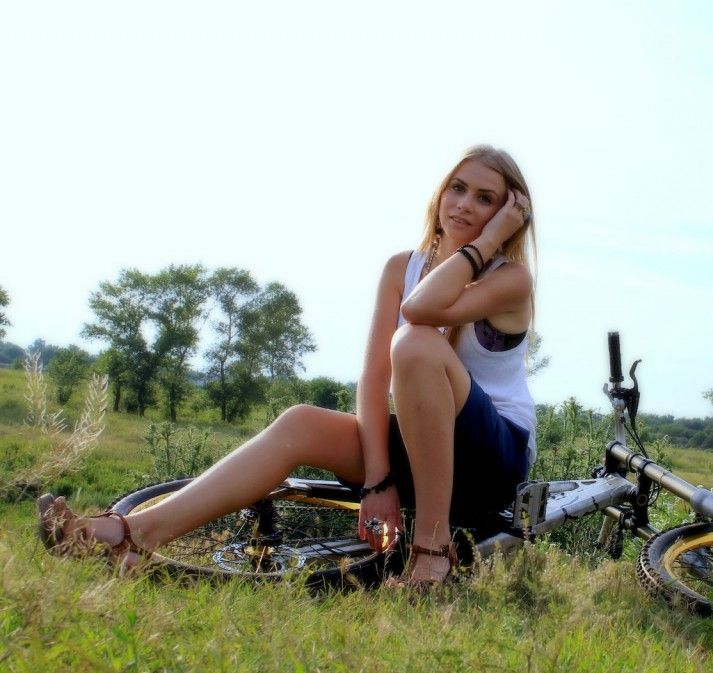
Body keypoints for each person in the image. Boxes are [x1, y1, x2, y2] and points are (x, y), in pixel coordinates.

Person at [37, 144, 538, 586]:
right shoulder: (400, 267)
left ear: (508, 215)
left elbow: (421, 313)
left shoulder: (510, 279)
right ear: (440, 192)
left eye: (485, 199)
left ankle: (432, 553)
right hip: (422, 448)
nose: (465, 204)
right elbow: (373, 379)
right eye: (458, 188)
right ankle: (130, 535)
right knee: (302, 421)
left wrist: (487, 243)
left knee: (414, 343)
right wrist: (378, 483)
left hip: (491, 461)